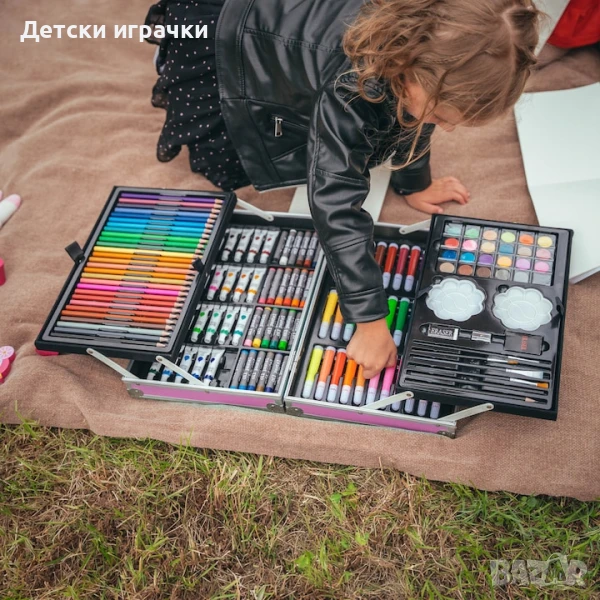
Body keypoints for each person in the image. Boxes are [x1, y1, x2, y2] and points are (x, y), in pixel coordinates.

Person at [144, 0, 540, 378]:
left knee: (390, 114)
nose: (447, 128)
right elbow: (335, 199)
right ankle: (167, 53)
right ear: (409, 70)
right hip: (228, 34)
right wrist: (369, 320)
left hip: (297, 29)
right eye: (441, 115)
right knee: (230, 158)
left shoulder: (424, 50)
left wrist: (413, 182)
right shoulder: (351, 86)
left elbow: (414, 120)